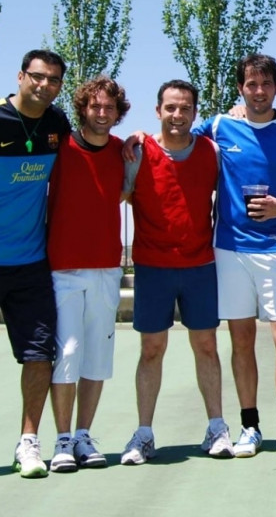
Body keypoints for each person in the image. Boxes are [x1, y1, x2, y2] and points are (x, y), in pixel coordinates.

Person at [195, 55, 276, 462]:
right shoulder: (219, 126)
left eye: (265, 84)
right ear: (241, 88)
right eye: (250, 84)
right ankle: (250, 426)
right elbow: (174, 137)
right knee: (241, 340)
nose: (258, 91)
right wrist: (140, 137)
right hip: (230, 252)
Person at [119, 80, 234, 465]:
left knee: (206, 347)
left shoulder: (211, 152)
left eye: (185, 108)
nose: (177, 115)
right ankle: (144, 433)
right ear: (157, 111)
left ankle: (217, 427)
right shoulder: (136, 153)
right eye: (170, 107)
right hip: (153, 268)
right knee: (152, 350)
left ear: (194, 113)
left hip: (200, 267)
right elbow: (111, 196)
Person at [46, 76, 128, 472]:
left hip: (107, 269)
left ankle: (82, 436)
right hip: (62, 269)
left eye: (109, 107)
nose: (101, 113)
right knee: (68, 353)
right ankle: (61, 439)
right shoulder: (59, 147)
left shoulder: (124, 152)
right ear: (82, 108)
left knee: (97, 356)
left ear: (118, 112)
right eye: (95, 106)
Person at [0, 49, 71, 478]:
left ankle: (29, 442)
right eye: (38, 77)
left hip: (30, 265)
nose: (45, 86)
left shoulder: (56, 125)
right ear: (21, 76)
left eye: (54, 80)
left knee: (39, 355)